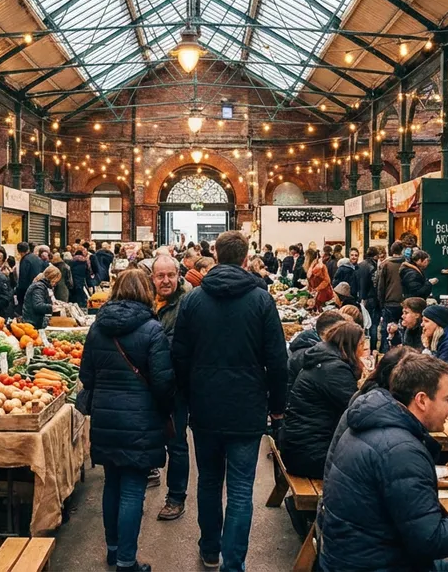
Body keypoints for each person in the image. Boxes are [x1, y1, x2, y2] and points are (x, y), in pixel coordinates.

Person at [318, 353, 448, 571]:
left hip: (349, 558)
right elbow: (431, 541)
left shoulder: (372, 423)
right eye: (447, 399)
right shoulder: (401, 450)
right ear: (422, 400)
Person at [171, 230, 288, 571]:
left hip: (205, 407)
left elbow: (179, 355)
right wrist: (277, 407)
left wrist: (187, 396)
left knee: (208, 481)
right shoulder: (261, 300)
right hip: (247, 408)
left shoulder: (193, 300)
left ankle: (209, 550)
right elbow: (277, 361)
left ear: (217, 255)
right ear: (245, 256)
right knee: (240, 489)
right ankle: (232, 563)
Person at [79, 269, 174, 572]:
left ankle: (113, 549)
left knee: (112, 485)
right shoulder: (152, 329)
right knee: (133, 489)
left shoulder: (97, 328)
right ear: (147, 291)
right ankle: (126, 561)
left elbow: (86, 376)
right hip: (140, 420)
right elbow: (162, 382)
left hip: (106, 416)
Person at [280, 323, 364, 479]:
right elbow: (357, 410)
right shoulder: (334, 369)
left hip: (298, 447)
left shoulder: (324, 360)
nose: (363, 350)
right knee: (367, 467)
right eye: (361, 345)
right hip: (310, 454)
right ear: (350, 345)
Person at [150, 255, 190, 521]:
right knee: (147, 436)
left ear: (178, 275)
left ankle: (176, 497)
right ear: (152, 278)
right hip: (148, 383)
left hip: (176, 385)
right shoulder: (145, 300)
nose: (166, 281)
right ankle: (148, 473)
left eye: (170, 275)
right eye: (160, 276)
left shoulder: (187, 303)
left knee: (176, 444)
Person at [354, 247, 379, 348]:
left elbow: (356, 283)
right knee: (372, 324)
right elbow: (375, 284)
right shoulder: (373, 267)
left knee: (364, 323)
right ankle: (372, 347)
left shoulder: (359, 266)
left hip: (361, 297)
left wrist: (361, 297)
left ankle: (363, 346)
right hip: (371, 298)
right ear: (375, 256)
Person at [22, 265, 60, 329]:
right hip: (32, 323)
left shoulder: (41, 286)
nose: (55, 284)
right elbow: (38, 305)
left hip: (34, 320)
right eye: (54, 281)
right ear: (51, 278)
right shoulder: (39, 287)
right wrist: (52, 307)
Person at [15, 242, 46, 308]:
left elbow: (23, 277)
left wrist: (19, 292)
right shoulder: (37, 258)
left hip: (27, 289)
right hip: (39, 287)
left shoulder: (25, 260)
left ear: (19, 251)